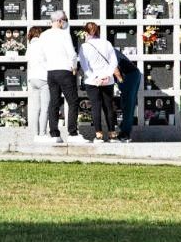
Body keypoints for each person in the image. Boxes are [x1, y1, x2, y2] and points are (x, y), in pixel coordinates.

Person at [40, 10, 89, 144]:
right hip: (65, 71)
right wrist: (74, 67)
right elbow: (72, 54)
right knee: (72, 101)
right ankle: (72, 133)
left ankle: (54, 134)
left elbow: (42, 56)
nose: (65, 22)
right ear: (60, 21)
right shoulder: (63, 34)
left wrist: (49, 67)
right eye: (65, 20)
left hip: (51, 72)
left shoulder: (43, 35)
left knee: (54, 103)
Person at [78, 22, 119, 143]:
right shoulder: (107, 43)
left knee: (96, 107)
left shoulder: (84, 46)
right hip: (108, 81)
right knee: (109, 107)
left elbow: (85, 66)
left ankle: (99, 135)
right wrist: (107, 76)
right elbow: (114, 62)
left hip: (92, 81)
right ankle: (112, 135)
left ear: (86, 32)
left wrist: (95, 78)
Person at [25, 26, 51, 142]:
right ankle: (43, 134)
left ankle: (35, 134)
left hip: (32, 78)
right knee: (45, 108)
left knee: (36, 109)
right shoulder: (43, 44)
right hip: (43, 78)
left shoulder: (30, 46)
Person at [113, 49, 140, 143]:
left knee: (128, 105)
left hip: (129, 75)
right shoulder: (106, 47)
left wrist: (120, 81)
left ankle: (125, 134)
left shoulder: (106, 49)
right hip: (129, 75)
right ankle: (124, 131)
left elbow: (115, 69)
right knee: (127, 105)